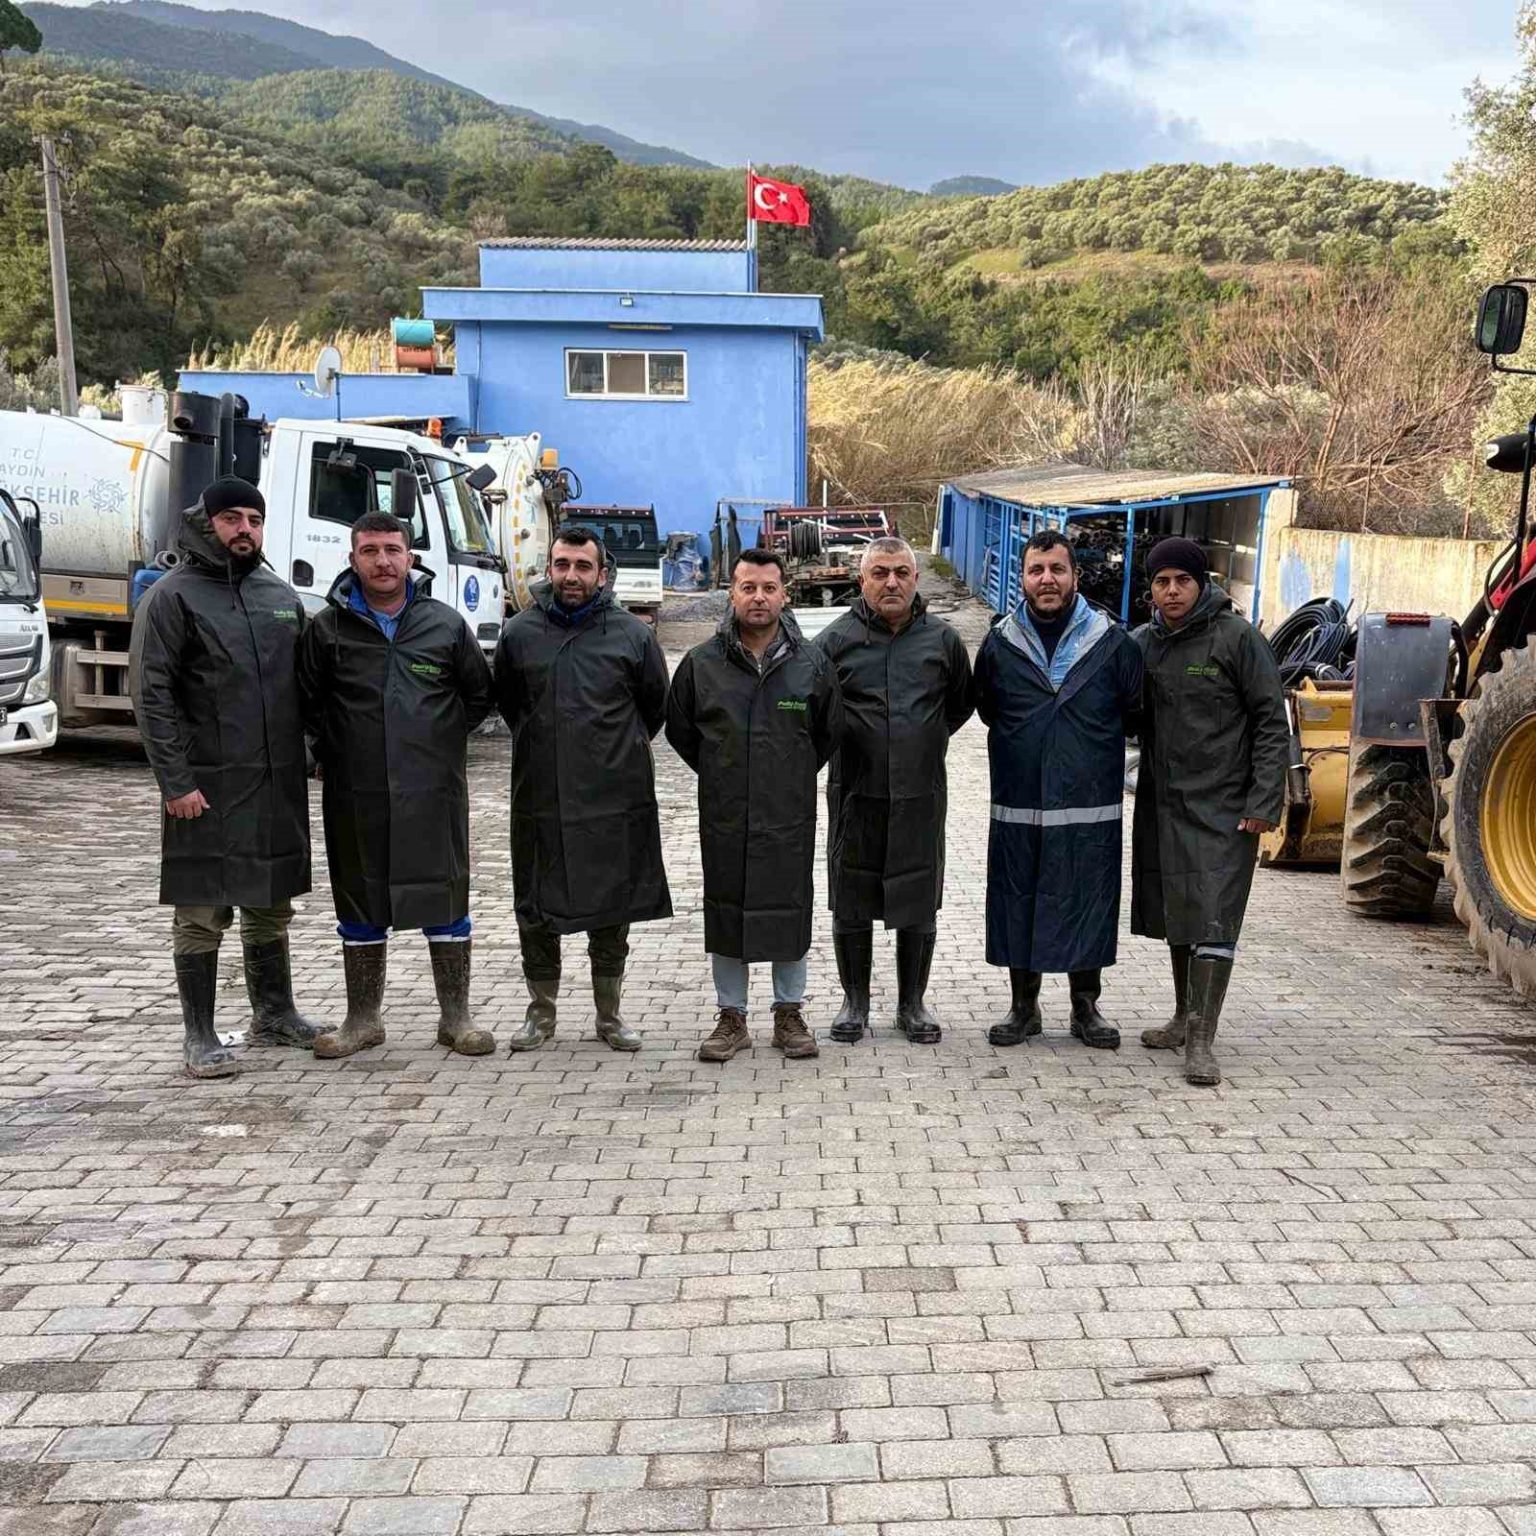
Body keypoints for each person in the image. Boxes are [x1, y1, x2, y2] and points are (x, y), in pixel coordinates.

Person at [129, 476, 319, 1079]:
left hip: (274, 782)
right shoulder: (172, 598)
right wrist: (175, 782)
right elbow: (151, 696)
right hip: (204, 787)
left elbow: (309, 688)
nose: (244, 529)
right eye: (232, 518)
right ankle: (200, 1035)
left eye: (254, 520)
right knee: (202, 911)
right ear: (205, 522)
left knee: (271, 902)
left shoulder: (278, 596)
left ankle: (275, 1013)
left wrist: (316, 755)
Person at [297, 512, 495, 1059]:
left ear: (411, 557)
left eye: (392, 550)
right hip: (354, 792)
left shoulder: (444, 625)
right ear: (352, 558)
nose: (382, 561)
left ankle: (455, 1019)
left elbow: (478, 696)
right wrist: (333, 752)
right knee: (359, 896)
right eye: (370, 551)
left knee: (444, 894)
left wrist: (436, 740)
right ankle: (362, 1020)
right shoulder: (327, 629)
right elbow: (308, 703)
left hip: (433, 791)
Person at [494, 526, 671, 1053]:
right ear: (549, 568)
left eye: (582, 566)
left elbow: (654, 708)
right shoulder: (519, 633)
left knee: (612, 908)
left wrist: (609, 751)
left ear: (602, 573)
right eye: (562, 564)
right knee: (535, 905)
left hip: (614, 798)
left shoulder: (633, 634)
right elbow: (510, 704)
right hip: (541, 795)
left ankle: (609, 1015)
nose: (571, 575)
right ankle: (540, 1013)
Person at [666, 547, 842, 1062]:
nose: (758, 597)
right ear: (732, 594)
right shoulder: (702, 664)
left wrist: (787, 774)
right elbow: (681, 730)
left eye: (768, 588)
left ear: (785, 595)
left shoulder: (812, 664)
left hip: (788, 815)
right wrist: (724, 772)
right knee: (727, 908)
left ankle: (789, 1014)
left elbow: (828, 733)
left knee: (790, 908)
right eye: (748, 588)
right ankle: (732, 1017)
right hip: (726, 815)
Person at [976, 529, 1143, 1050]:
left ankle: (1085, 1007)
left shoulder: (1112, 644)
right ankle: (1023, 1008)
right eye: (1036, 570)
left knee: (1087, 898)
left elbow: (1135, 711)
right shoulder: (1000, 644)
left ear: (1076, 576)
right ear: (1023, 578)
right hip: (1020, 802)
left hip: (1088, 806)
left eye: (1057, 569)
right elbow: (988, 709)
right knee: (1017, 897)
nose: (1046, 579)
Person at [1131, 536, 1288, 1087]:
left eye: (1183, 581)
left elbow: (1272, 722)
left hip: (1226, 809)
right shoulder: (1144, 644)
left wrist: (1264, 800)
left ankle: (1201, 1040)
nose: (1172, 591)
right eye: (1161, 582)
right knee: (1180, 912)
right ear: (1150, 589)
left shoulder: (1237, 639)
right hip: (1164, 804)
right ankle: (1182, 1017)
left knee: (1215, 917)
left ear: (1202, 584)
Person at [816, 537, 973, 1045]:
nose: (891, 582)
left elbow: (959, 705)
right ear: (861, 580)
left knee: (918, 894)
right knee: (851, 895)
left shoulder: (943, 641)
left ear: (915, 579)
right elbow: (816, 712)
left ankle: (912, 1004)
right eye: (880, 573)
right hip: (854, 793)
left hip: (920, 794)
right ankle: (854, 1002)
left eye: (901, 573)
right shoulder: (834, 641)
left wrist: (920, 739)